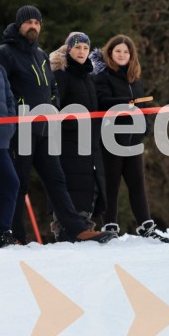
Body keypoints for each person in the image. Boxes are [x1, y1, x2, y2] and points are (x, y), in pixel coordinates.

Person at [0, 5, 115, 244]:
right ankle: (14, 235)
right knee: (19, 183)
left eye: (37, 23)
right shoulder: (6, 52)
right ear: (19, 25)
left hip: (44, 128)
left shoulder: (40, 55)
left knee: (57, 179)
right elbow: (3, 86)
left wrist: (53, 107)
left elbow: (52, 87)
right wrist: (17, 111)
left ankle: (76, 229)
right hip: (20, 128)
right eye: (29, 22)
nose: (33, 26)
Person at [94, 34, 168, 242]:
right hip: (111, 138)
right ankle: (109, 225)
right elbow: (103, 102)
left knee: (137, 184)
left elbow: (142, 108)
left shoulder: (136, 80)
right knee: (111, 184)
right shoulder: (103, 77)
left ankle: (145, 226)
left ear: (131, 55)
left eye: (126, 52)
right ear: (110, 53)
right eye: (118, 51)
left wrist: (146, 127)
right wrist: (128, 102)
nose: (122, 54)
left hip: (133, 140)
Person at [48, 32, 107, 240]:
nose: (82, 52)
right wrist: (75, 122)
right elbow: (54, 109)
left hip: (89, 141)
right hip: (68, 142)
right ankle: (66, 229)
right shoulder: (61, 75)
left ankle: (84, 225)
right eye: (77, 47)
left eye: (85, 48)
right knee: (72, 183)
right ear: (68, 50)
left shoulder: (89, 77)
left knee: (90, 184)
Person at [0, 64, 20, 248]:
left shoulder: (1, 69)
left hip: (1, 141)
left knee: (12, 183)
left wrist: (10, 125)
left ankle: (3, 232)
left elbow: (9, 99)